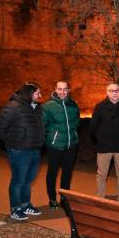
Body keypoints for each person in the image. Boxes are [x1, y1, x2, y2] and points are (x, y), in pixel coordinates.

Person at [0, 82, 44, 220]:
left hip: (34, 150)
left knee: (28, 180)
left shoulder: (36, 108)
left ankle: (25, 204)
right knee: (18, 180)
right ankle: (15, 209)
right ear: (29, 93)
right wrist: (11, 144)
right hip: (19, 151)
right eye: (37, 93)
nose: (40, 96)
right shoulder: (13, 106)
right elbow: (0, 127)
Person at [91, 83, 119, 203]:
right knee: (101, 174)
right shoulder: (100, 106)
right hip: (104, 146)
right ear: (107, 92)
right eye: (111, 91)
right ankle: (100, 197)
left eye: (116, 90)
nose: (114, 93)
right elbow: (93, 126)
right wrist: (101, 137)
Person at [41, 81, 80, 209]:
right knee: (52, 172)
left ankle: (64, 199)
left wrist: (73, 133)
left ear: (68, 90)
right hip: (54, 145)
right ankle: (52, 199)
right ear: (55, 90)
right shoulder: (48, 106)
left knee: (67, 173)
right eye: (59, 89)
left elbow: (77, 122)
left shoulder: (73, 104)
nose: (62, 92)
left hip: (71, 144)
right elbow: (42, 125)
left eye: (65, 89)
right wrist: (50, 138)